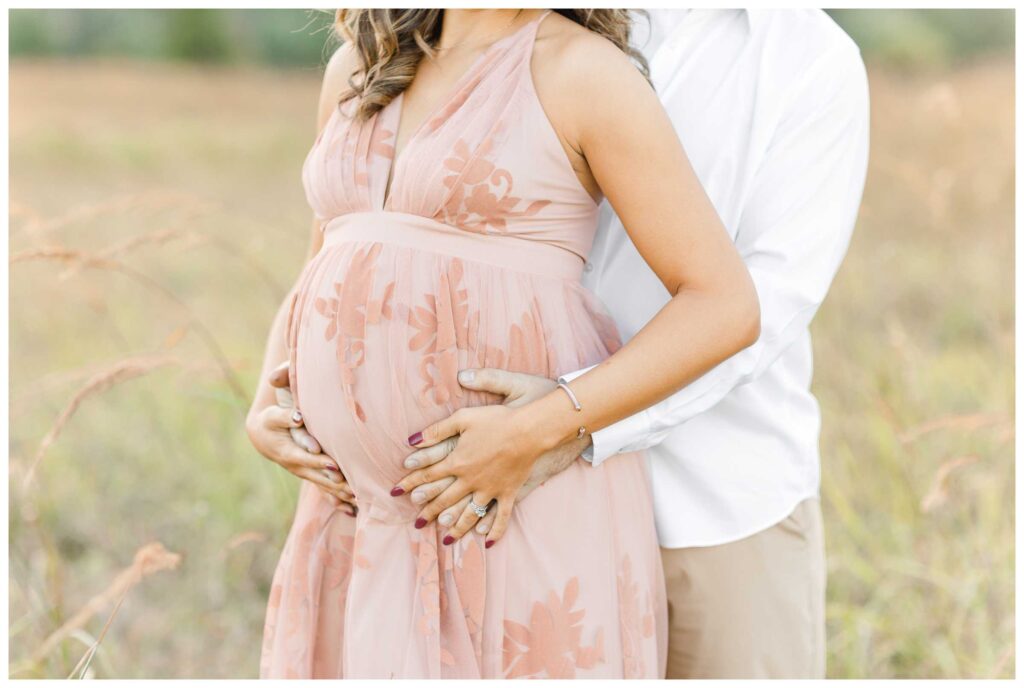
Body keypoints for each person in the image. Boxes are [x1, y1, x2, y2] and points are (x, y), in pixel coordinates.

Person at [246, 8, 760, 679]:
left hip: (505, 502)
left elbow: (723, 304)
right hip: (357, 516)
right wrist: (266, 399)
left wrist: (537, 430)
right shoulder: (361, 65)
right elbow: (325, 261)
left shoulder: (581, 74)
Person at [389, 8, 870, 680]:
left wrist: (567, 422)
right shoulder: (534, 18)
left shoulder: (807, 56)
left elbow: (766, 304)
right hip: (512, 490)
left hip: (710, 504)